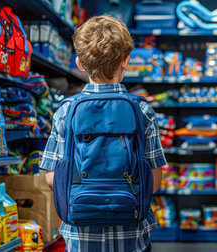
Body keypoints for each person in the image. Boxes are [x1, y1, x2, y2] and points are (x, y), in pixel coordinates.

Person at [40, 15, 166, 252]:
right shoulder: (142, 110)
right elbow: (155, 183)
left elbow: (51, 179)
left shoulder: (66, 110)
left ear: (79, 63)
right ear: (126, 61)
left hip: (81, 237)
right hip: (132, 236)